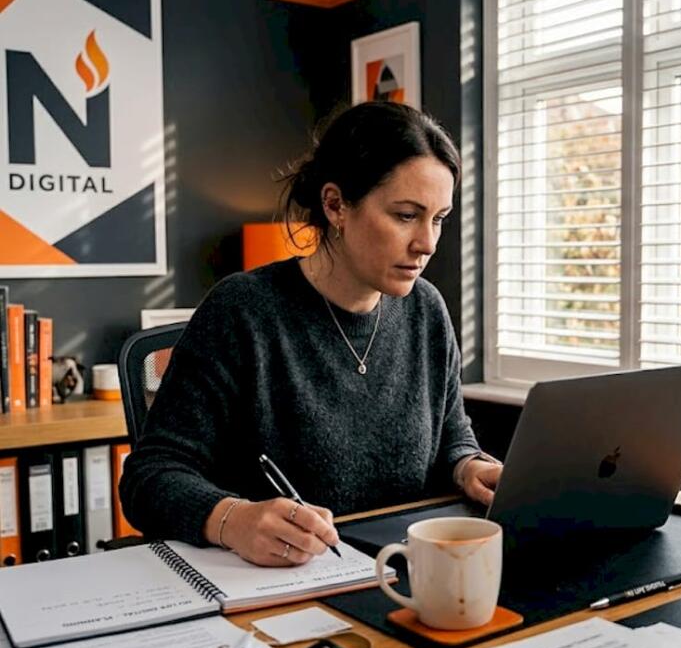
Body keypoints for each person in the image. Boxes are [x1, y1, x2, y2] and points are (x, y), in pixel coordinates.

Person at [120, 102, 503, 567]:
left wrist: (468, 467)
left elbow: (452, 438)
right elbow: (149, 477)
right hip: (280, 580)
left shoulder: (426, 309)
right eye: (406, 215)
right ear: (335, 205)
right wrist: (232, 519)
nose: (428, 243)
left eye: (438, 218)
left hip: (401, 571)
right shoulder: (243, 311)